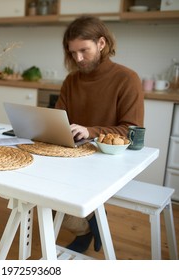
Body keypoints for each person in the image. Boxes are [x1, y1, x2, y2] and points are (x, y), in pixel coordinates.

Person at [55, 16, 144, 253]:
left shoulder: (127, 79)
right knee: (39, 193)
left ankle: (88, 223)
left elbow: (130, 130)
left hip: (108, 159)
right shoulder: (71, 80)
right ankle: (87, 227)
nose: (78, 59)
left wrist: (90, 131)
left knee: (52, 197)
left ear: (102, 44)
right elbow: (58, 118)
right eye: (72, 53)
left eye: (84, 51)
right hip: (74, 156)